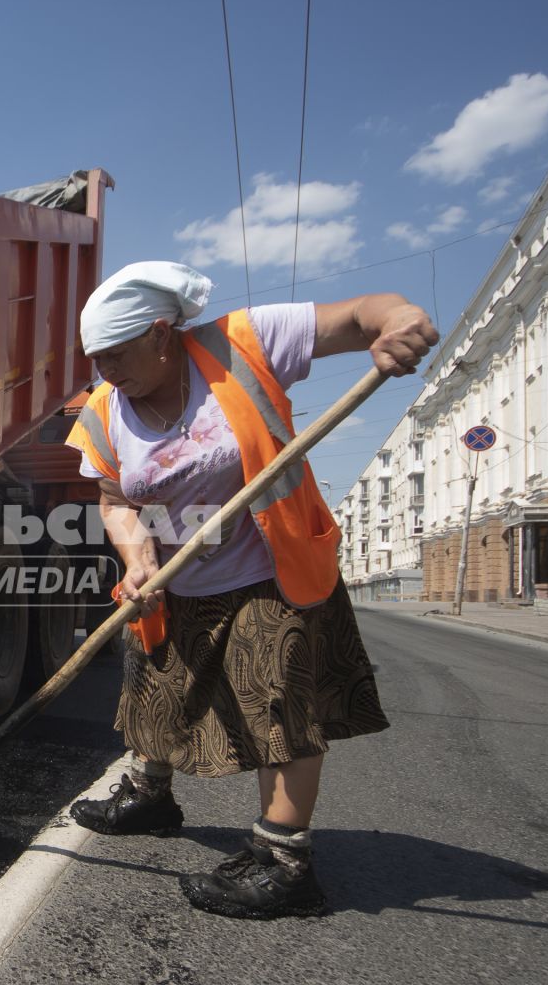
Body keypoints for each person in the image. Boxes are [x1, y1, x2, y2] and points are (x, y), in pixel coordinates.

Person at [63, 262, 436, 919]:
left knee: (279, 706)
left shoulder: (242, 341)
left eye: (115, 356)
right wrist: (138, 558)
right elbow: (115, 497)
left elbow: (361, 314)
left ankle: (284, 860)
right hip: (176, 581)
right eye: (95, 360)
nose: (105, 374)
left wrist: (397, 319)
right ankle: (150, 799)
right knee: (154, 690)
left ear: (160, 334)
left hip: (269, 567)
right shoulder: (105, 408)